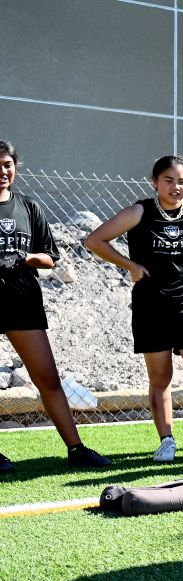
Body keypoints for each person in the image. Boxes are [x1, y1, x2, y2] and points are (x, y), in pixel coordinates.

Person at [83, 155, 183, 462]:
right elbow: (95, 240)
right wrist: (128, 264)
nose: (175, 187)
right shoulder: (140, 211)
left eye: (181, 181)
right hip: (151, 309)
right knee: (160, 378)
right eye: (168, 180)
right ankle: (166, 442)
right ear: (154, 182)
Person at [0, 139, 111, 473]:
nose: (3, 171)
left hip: (22, 302)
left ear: (15, 166)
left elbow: (50, 257)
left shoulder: (28, 207)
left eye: (7, 164)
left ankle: (76, 449)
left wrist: (24, 257)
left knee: (47, 379)